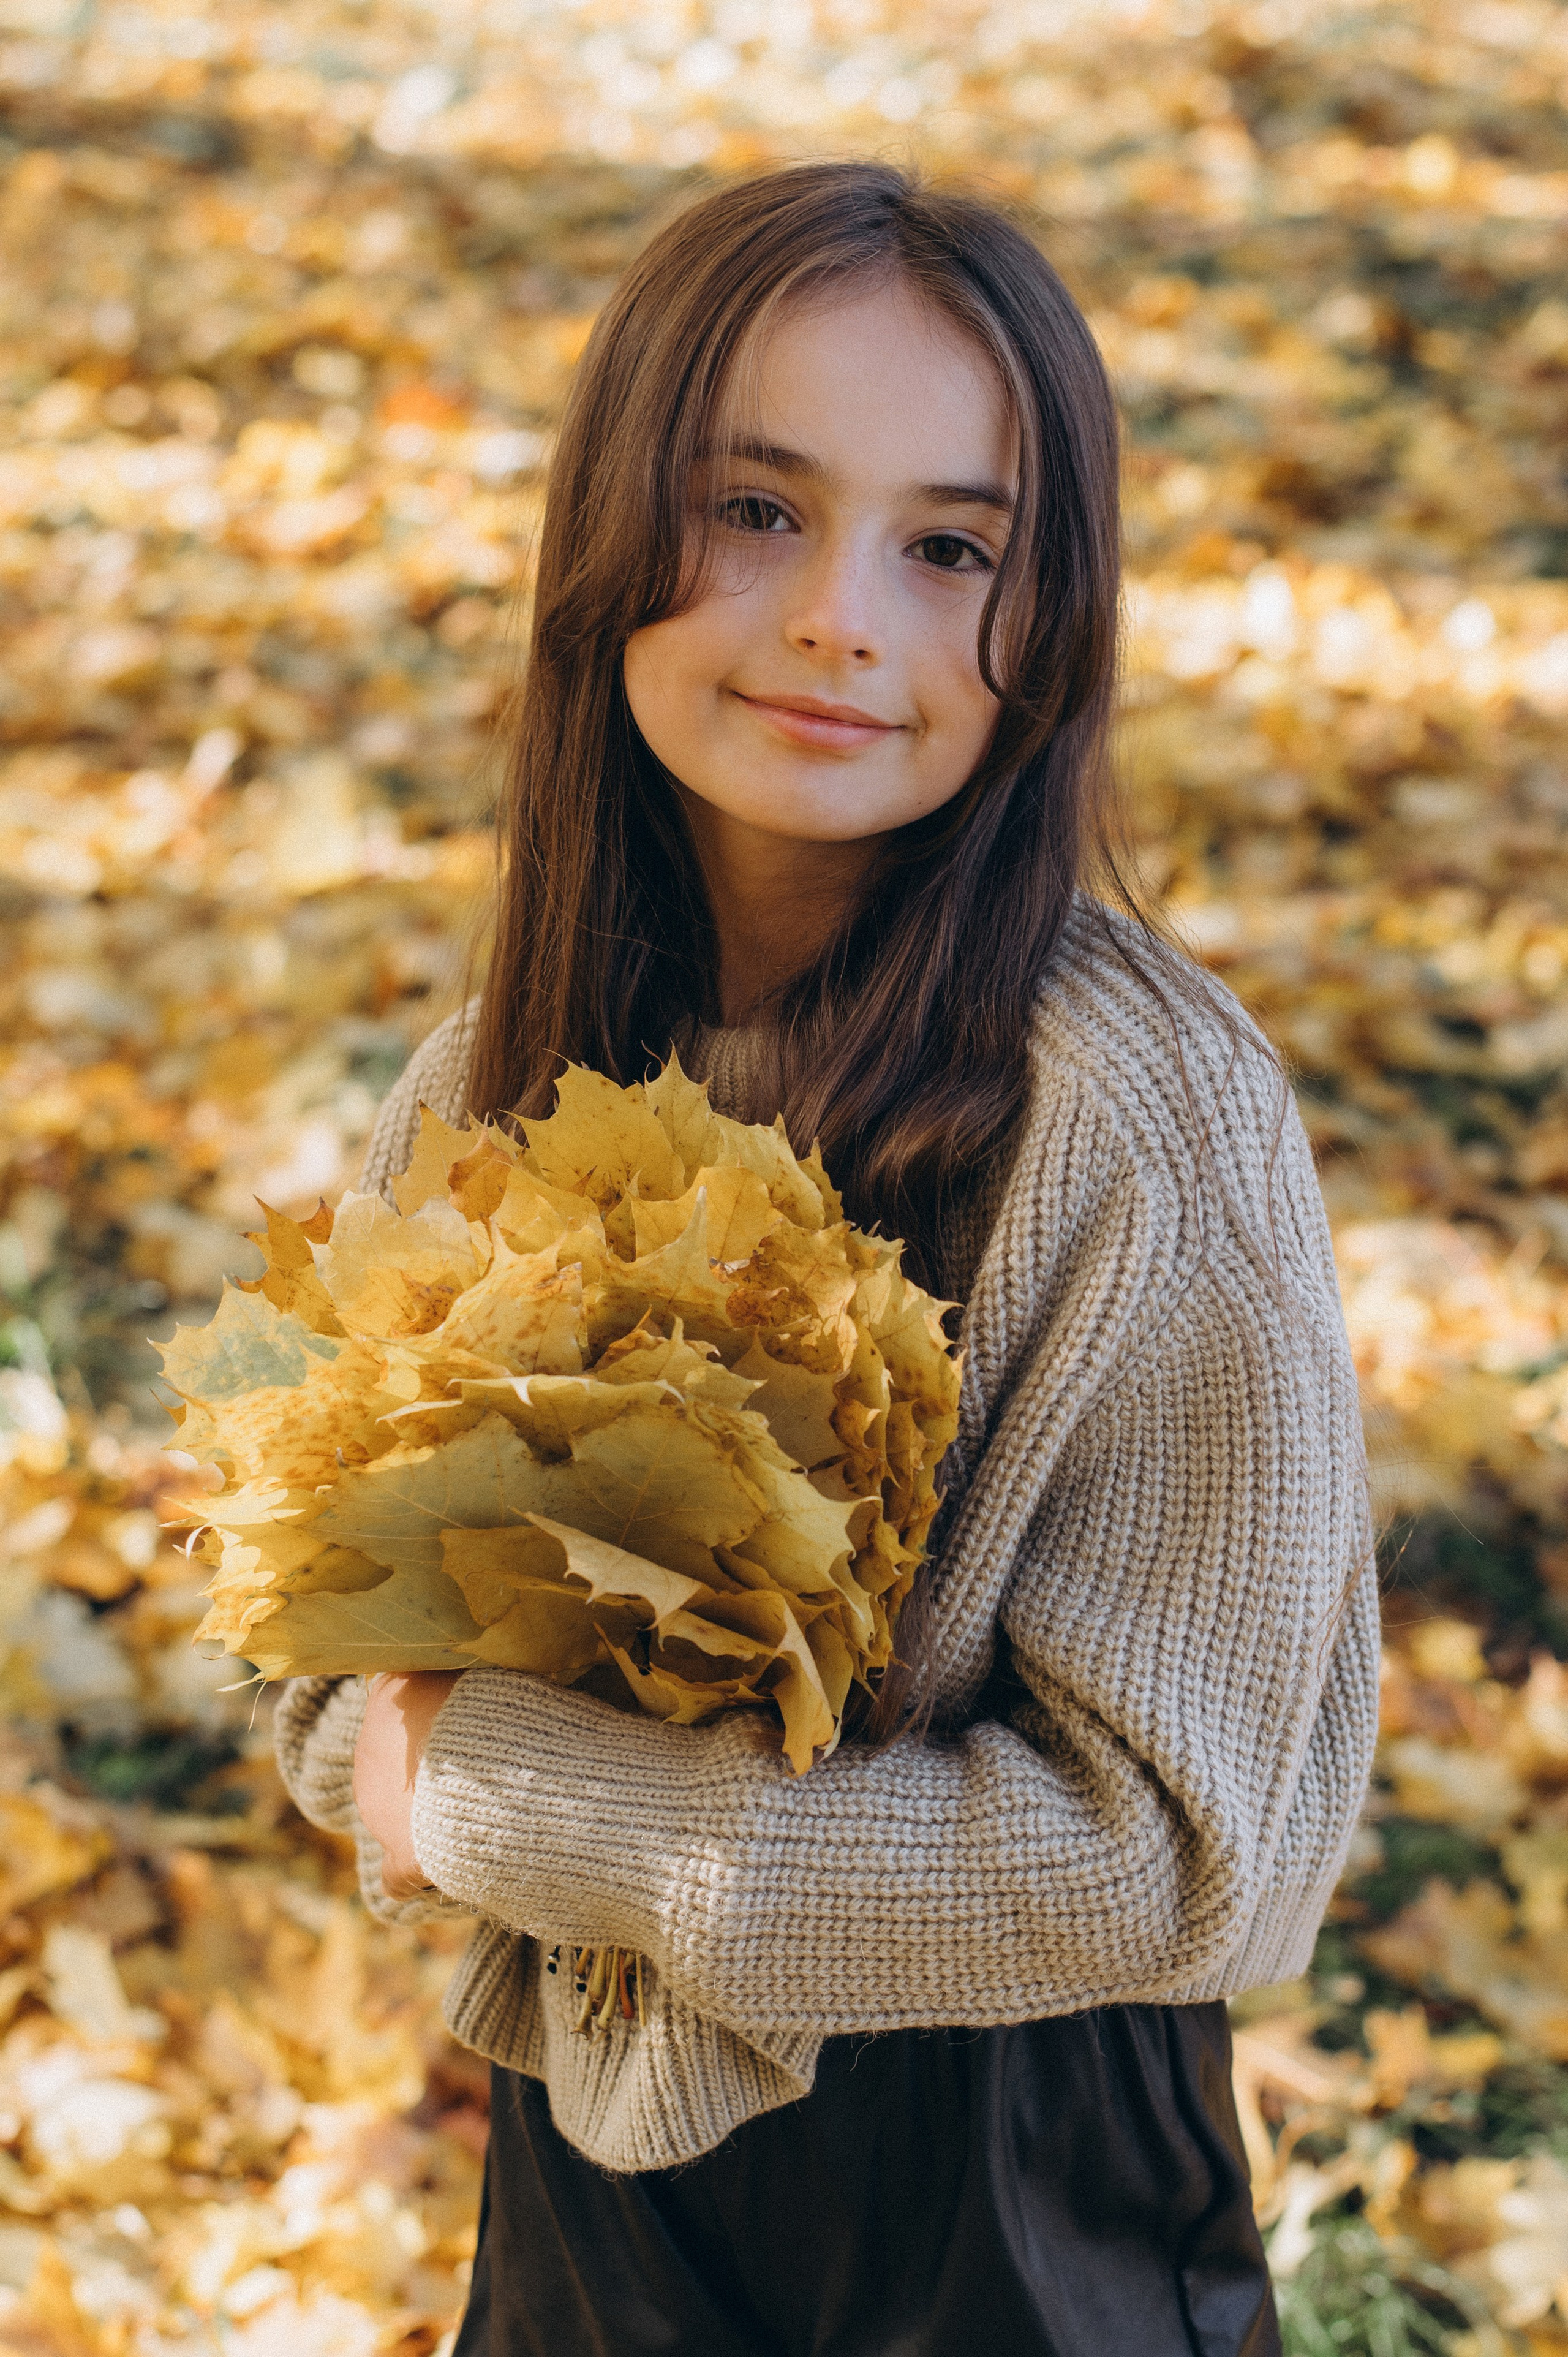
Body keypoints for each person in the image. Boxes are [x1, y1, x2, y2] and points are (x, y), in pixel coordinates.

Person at [274, 162, 1378, 2356]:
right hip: (589, 2164)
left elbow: (1192, 1855)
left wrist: (513, 1801)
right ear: (610, 533)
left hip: (1009, 2189)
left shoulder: (1140, 1122)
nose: (840, 621)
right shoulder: (493, 1072)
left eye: (948, 549)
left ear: (1049, 619)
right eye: (756, 512)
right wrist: (416, 1772)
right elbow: (335, 1688)